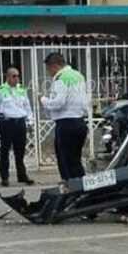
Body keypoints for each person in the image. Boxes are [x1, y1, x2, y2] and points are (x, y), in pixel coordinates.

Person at [40, 53, 89, 181]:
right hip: (80, 122)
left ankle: (72, 189)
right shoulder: (78, 75)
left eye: (48, 69)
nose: (49, 73)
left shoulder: (61, 78)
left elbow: (58, 102)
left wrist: (43, 99)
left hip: (66, 124)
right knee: (75, 161)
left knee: (66, 161)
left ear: (54, 66)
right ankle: (83, 188)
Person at [0, 67, 36, 187]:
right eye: (14, 76)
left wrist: (30, 122)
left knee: (20, 151)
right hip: (7, 123)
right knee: (4, 151)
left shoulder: (21, 90)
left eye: (18, 76)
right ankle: (4, 177)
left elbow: (27, 107)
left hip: (20, 123)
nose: (17, 78)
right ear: (8, 77)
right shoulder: (0, 90)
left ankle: (22, 175)